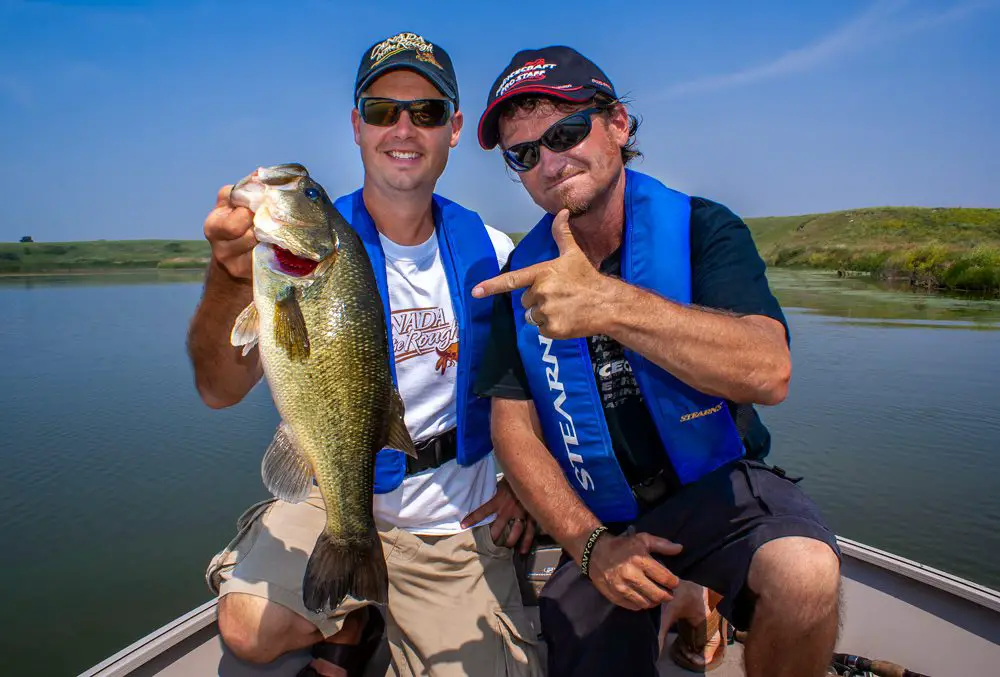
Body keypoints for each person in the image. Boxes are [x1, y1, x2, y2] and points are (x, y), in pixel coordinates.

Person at [472, 45, 842, 677]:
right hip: (604, 515)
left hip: (718, 489)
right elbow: (514, 430)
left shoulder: (704, 230)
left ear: (617, 123)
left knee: (805, 575)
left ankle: (703, 592)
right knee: (578, 647)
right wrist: (590, 547)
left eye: (564, 131)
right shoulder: (520, 277)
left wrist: (610, 304)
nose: (549, 162)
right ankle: (688, 601)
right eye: (524, 153)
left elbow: (768, 371)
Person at [187, 31, 544, 677]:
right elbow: (216, 389)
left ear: (454, 128)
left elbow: (537, 381)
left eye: (427, 112)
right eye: (382, 110)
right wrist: (227, 273)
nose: (403, 128)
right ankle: (351, 615)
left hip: (449, 516)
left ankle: (358, 607)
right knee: (247, 629)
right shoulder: (290, 264)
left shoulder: (492, 250)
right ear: (356, 125)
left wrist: (524, 481)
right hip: (332, 490)